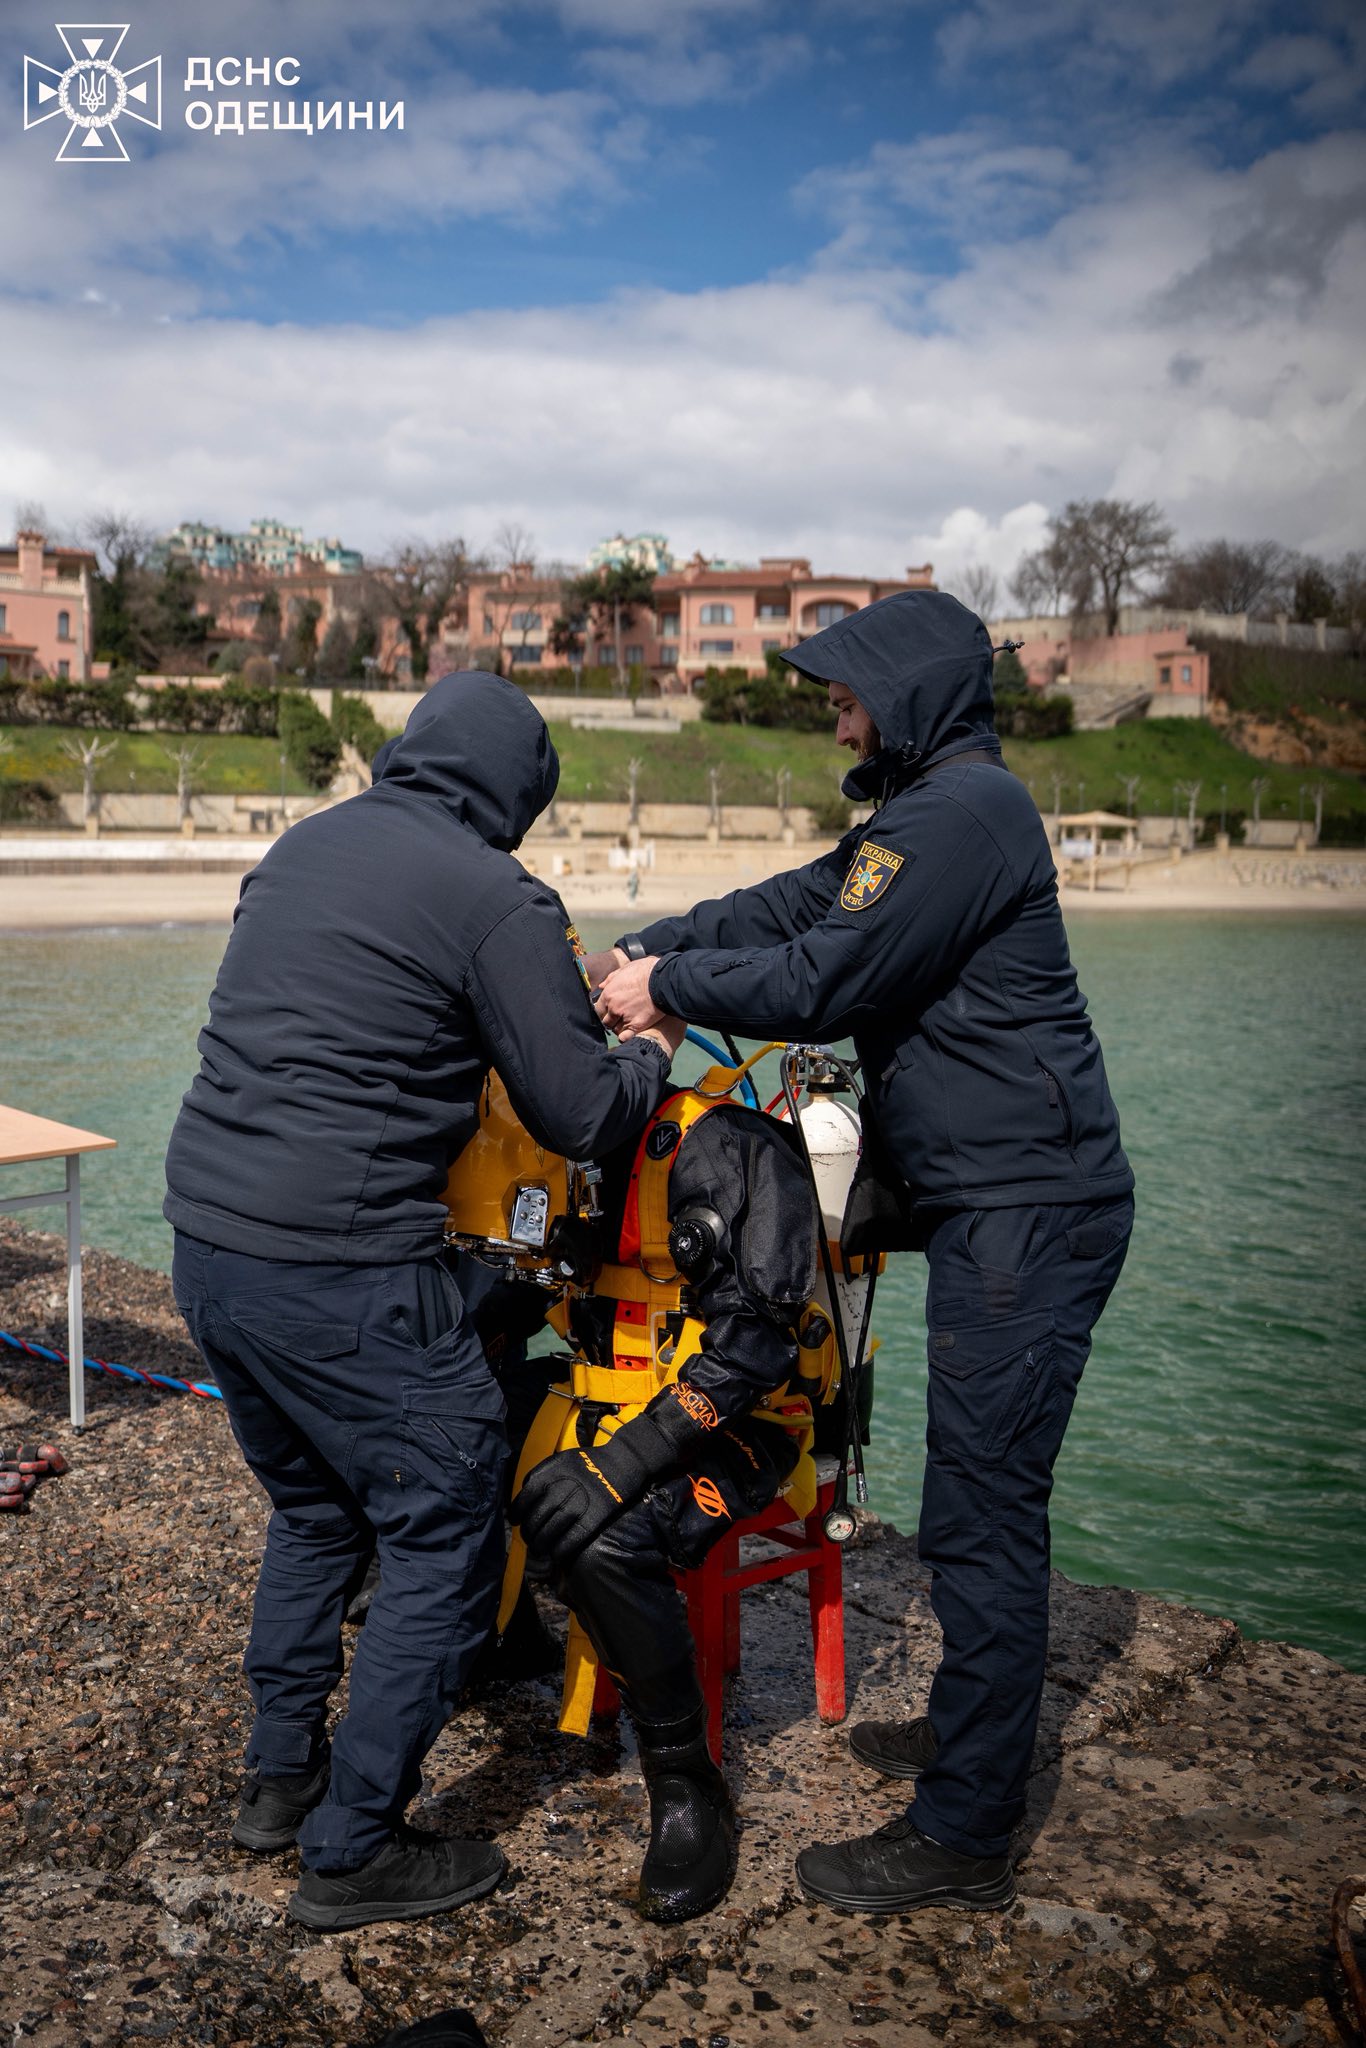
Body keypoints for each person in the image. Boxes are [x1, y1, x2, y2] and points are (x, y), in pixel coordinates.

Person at [590, 590, 1134, 1916]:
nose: (830, 708)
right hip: (994, 1204)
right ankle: (972, 1738)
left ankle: (962, 1831)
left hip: (1028, 1213)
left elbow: (822, 981)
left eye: (846, 689)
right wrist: (662, 937)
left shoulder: (962, 816)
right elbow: (791, 902)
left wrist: (657, 995)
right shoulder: (925, 815)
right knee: (972, 1500)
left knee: (979, 1518)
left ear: (909, 693)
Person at [165, 671, 683, 1931]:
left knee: (315, 1509)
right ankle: (352, 1851)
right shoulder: (494, 892)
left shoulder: (303, 845)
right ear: (513, 791)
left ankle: (279, 1783)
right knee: (443, 1531)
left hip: (209, 1241)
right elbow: (573, 1108)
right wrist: (652, 1042)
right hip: (344, 1270)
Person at [505, 1085, 829, 1922]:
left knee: (604, 1540)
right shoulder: (551, 1139)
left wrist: (622, 1464)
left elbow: (756, 1346)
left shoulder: (726, 1145)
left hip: (742, 1422)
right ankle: (496, 1643)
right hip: (602, 1400)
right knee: (441, 1455)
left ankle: (688, 1783)